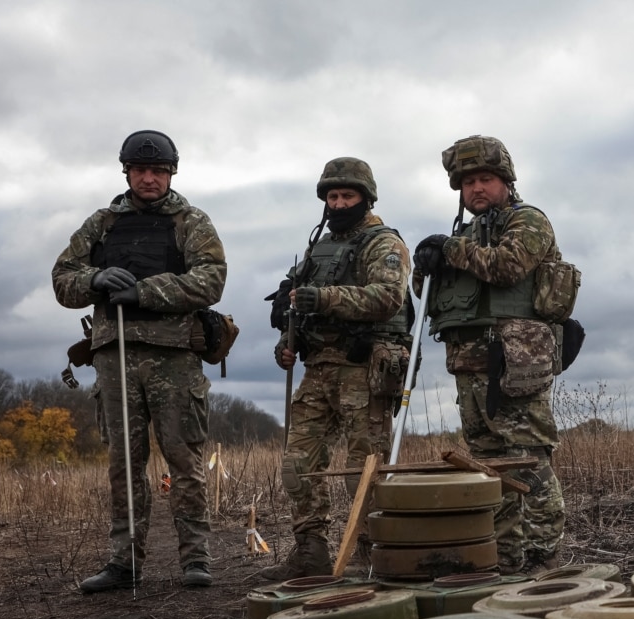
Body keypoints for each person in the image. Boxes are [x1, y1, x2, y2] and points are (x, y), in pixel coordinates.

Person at [51, 130, 226, 592]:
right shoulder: (102, 223)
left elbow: (211, 281)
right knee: (123, 462)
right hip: (115, 355)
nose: (150, 179)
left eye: (159, 171)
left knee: (184, 459)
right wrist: (95, 278)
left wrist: (145, 290)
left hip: (173, 357)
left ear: (171, 173)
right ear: (126, 171)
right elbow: (62, 280)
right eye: (141, 170)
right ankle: (123, 562)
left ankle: (195, 559)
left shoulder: (192, 221)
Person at [413, 135, 565, 574]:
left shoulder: (529, 221)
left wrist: (450, 249)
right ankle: (506, 556)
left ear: (505, 181)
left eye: (485, 179)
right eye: (468, 183)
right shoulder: (465, 236)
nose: (476, 189)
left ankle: (542, 558)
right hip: (468, 363)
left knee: (528, 459)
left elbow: (508, 266)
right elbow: (430, 298)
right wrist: (426, 268)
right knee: (490, 465)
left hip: (514, 362)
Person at [261, 157, 413, 581]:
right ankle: (310, 550)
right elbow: (296, 307)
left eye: (347, 195)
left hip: (364, 369)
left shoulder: (384, 244)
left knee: (365, 471)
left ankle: (370, 554)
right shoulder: (316, 250)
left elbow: (387, 298)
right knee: (297, 463)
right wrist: (286, 344)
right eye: (332, 196)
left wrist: (323, 298)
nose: (339, 203)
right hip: (318, 368)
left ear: (365, 198)